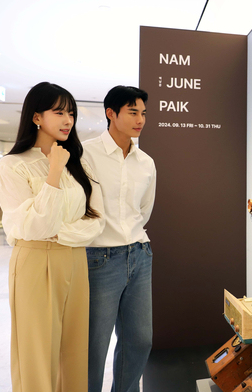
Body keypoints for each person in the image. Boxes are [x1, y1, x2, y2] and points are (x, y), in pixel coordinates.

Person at [0, 81, 105, 392]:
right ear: (36, 117)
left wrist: (61, 234)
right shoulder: (10, 166)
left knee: (73, 350)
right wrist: (54, 170)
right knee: (36, 353)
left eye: (71, 113)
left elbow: (96, 220)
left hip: (74, 259)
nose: (68, 120)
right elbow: (32, 227)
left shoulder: (79, 164)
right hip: (34, 261)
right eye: (59, 112)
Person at [82, 86, 156, 392]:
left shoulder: (146, 162)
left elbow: (144, 210)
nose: (140, 120)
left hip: (139, 253)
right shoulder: (86, 153)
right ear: (111, 113)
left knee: (140, 339)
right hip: (99, 257)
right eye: (133, 112)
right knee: (93, 345)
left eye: (143, 113)